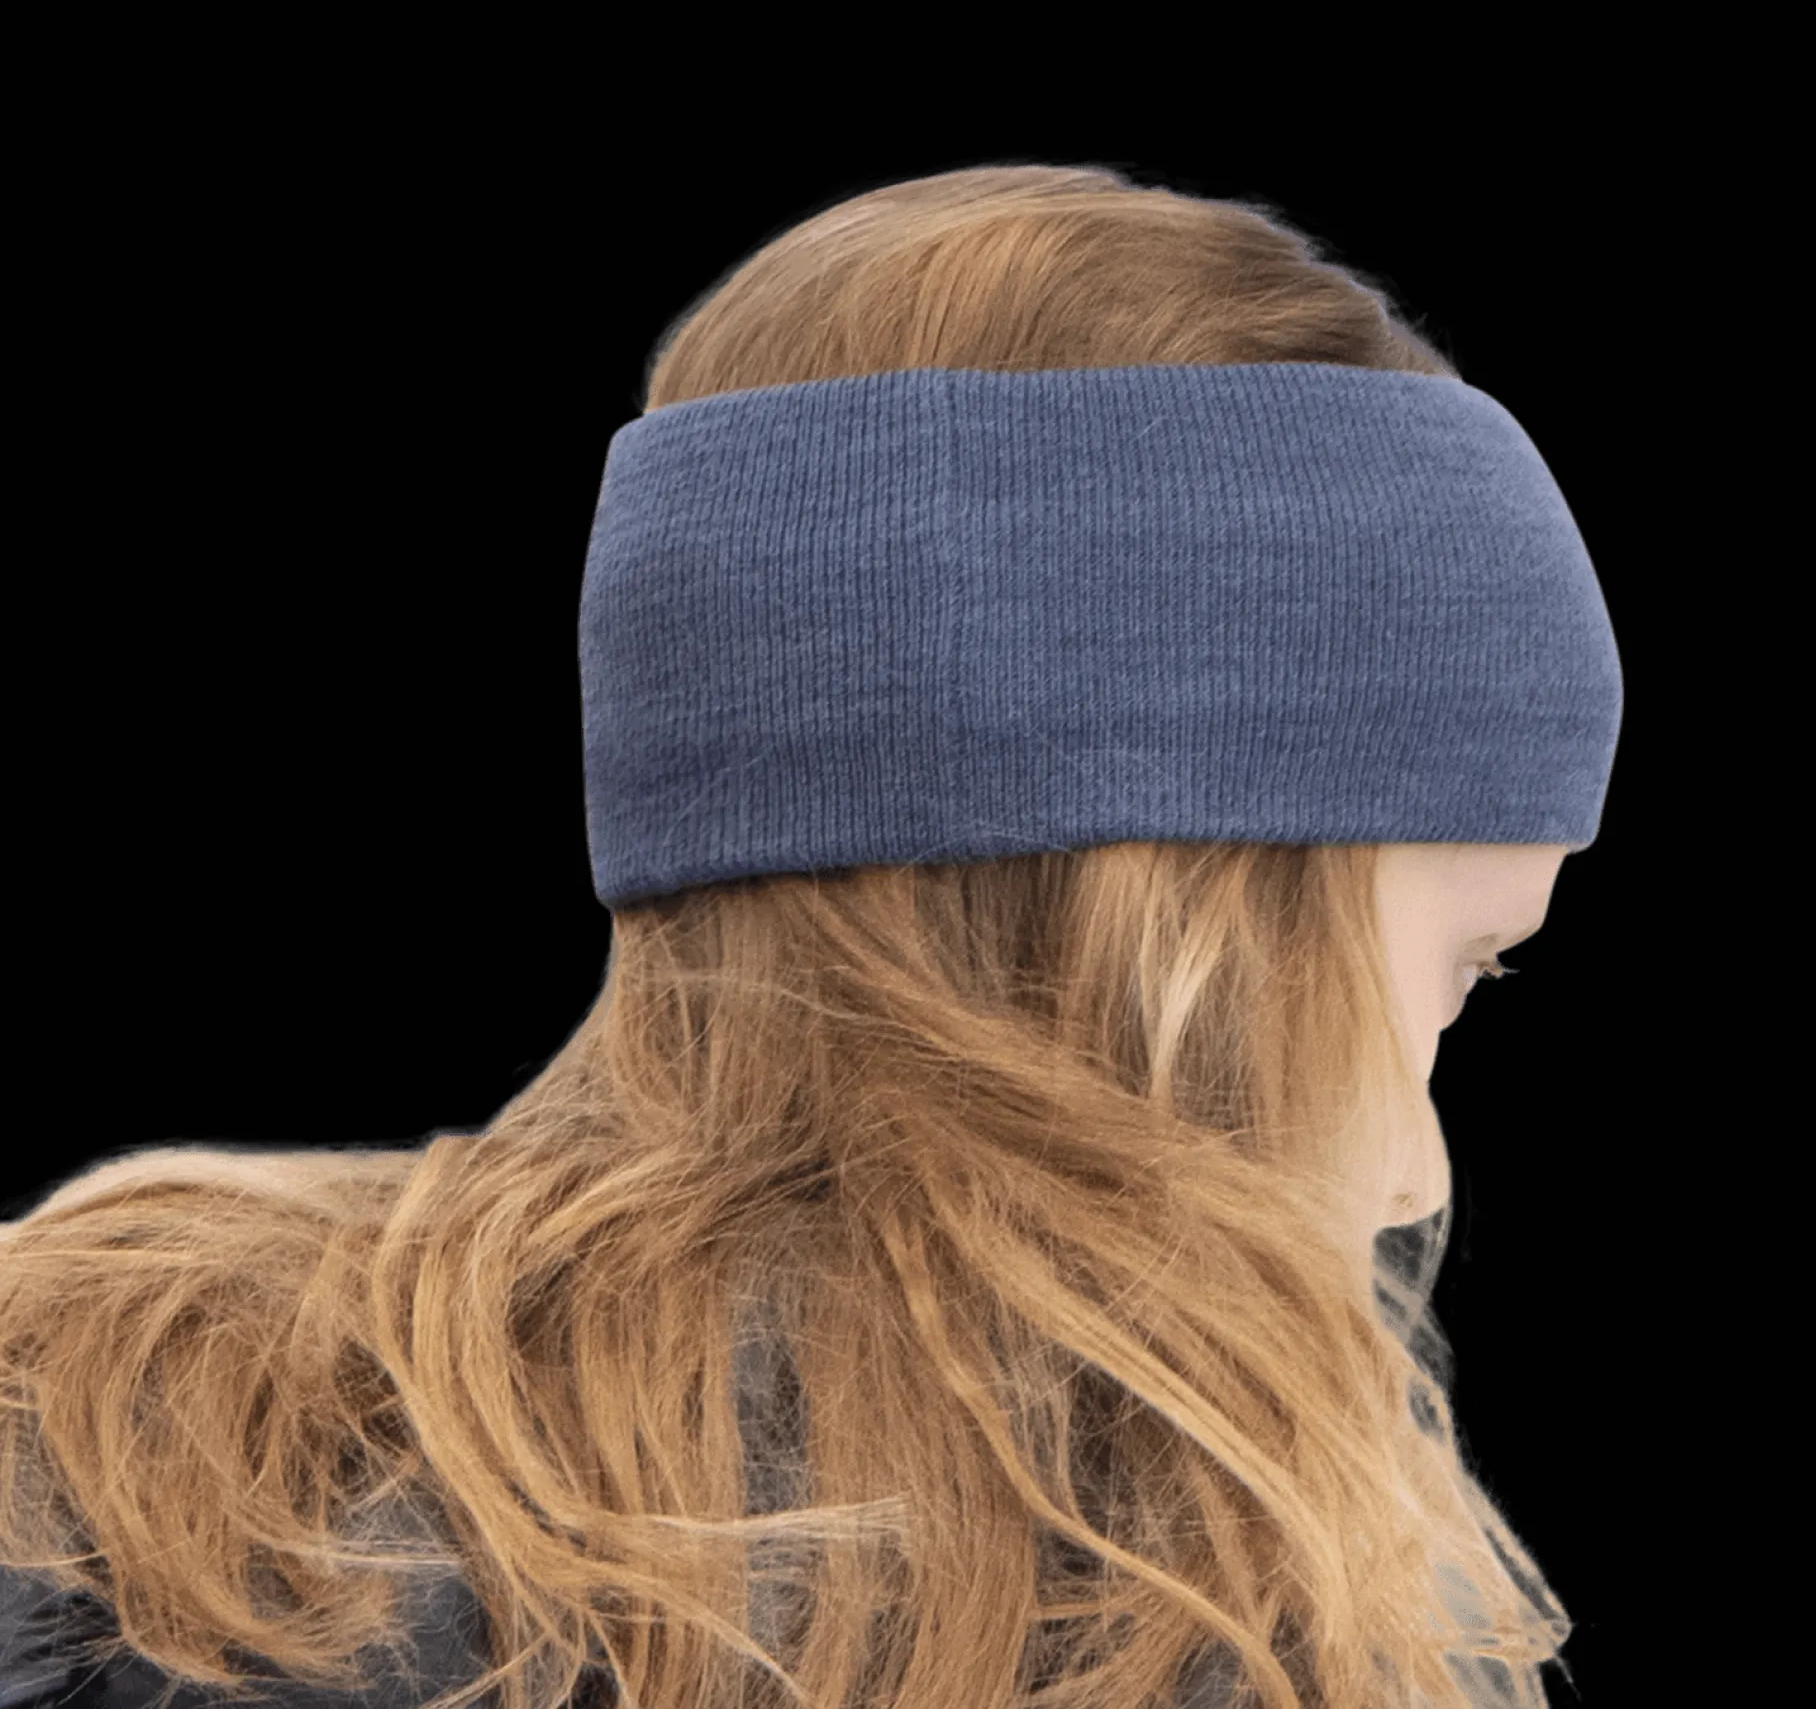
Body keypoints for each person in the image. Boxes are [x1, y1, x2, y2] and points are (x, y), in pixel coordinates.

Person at [0, 163, 1619, 1709]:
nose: (1416, 1176)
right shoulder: (1205, 1596)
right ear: (1180, 945)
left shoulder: (120, 1439)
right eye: (1460, 974)